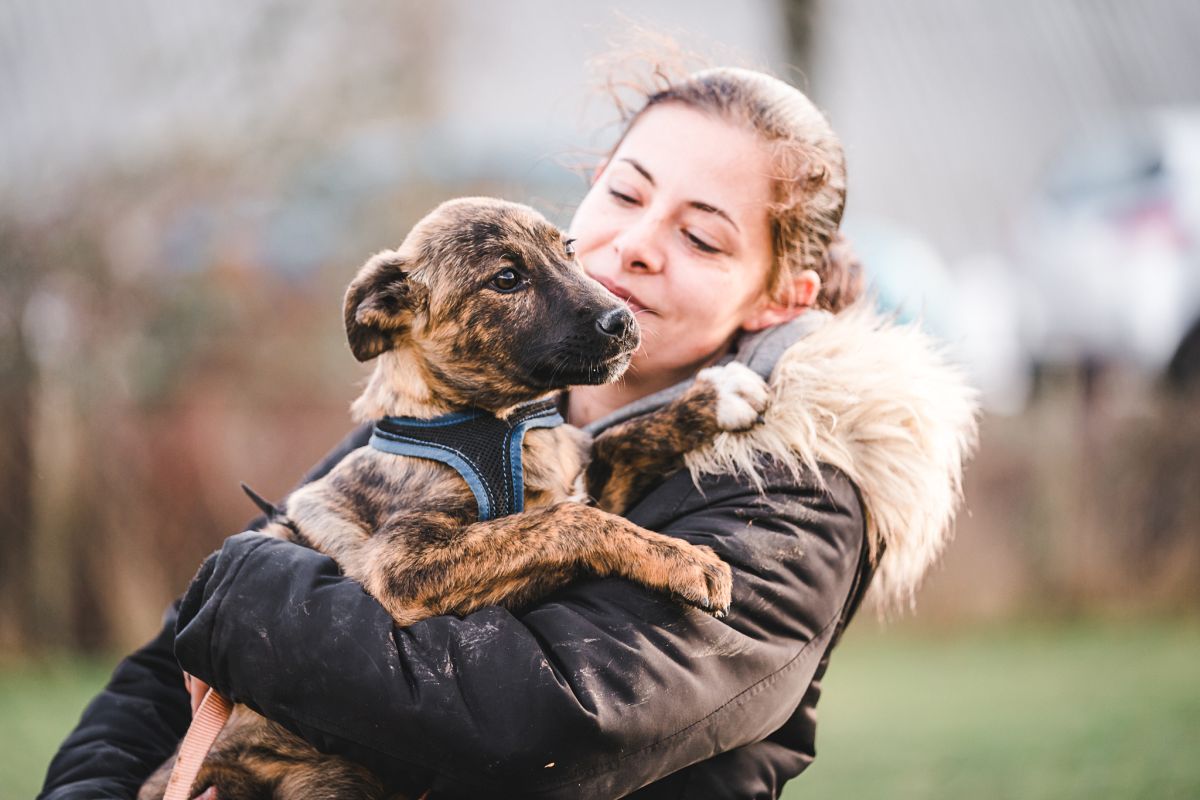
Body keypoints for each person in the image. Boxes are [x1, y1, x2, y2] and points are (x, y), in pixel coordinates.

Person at [40, 64, 978, 799]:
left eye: (701, 237)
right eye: (624, 195)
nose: (635, 246)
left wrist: (251, 588)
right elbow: (163, 674)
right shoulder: (472, 412)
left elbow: (539, 724)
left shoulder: (795, 497)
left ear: (782, 297)